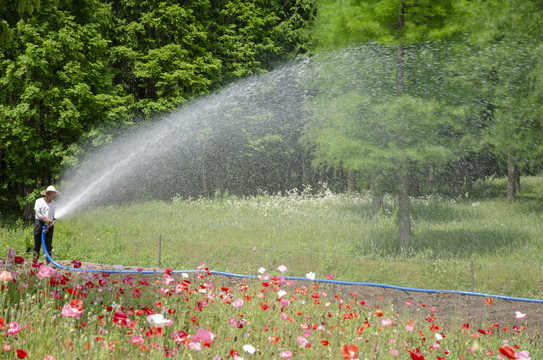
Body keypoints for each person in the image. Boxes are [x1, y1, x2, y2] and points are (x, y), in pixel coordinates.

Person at [33, 185, 61, 263]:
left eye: (54, 193)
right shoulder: (39, 201)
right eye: (53, 193)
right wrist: (45, 219)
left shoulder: (55, 204)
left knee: (48, 245)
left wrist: (49, 225)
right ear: (47, 193)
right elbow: (38, 213)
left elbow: (56, 217)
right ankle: (35, 263)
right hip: (39, 223)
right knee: (37, 244)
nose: (54, 195)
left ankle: (49, 263)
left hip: (50, 225)